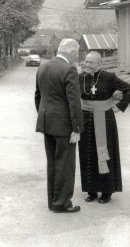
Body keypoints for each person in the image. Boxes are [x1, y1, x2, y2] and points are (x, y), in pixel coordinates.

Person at [35, 38, 83, 213]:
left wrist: (45, 117)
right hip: (64, 126)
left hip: (47, 123)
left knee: (53, 163)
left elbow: (38, 97)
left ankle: (53, 201)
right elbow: (74, 102)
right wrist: (76, 128)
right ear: (70, 51)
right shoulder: (69, 69)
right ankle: (62, 203)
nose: (77, 56)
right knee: (65, 164)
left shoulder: (43, 67)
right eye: (76, 52)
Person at [78, 51, 130, 204]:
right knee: (87, 154)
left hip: (104, 119)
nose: (87, 65)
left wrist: (120, 106)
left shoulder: (109, 77)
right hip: (85, 118)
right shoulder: (80, 77)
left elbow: (128, 89)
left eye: (91, 62)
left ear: (99, 64)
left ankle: (107, 192)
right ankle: (91, 190)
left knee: (104, 153)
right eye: (86, 61)